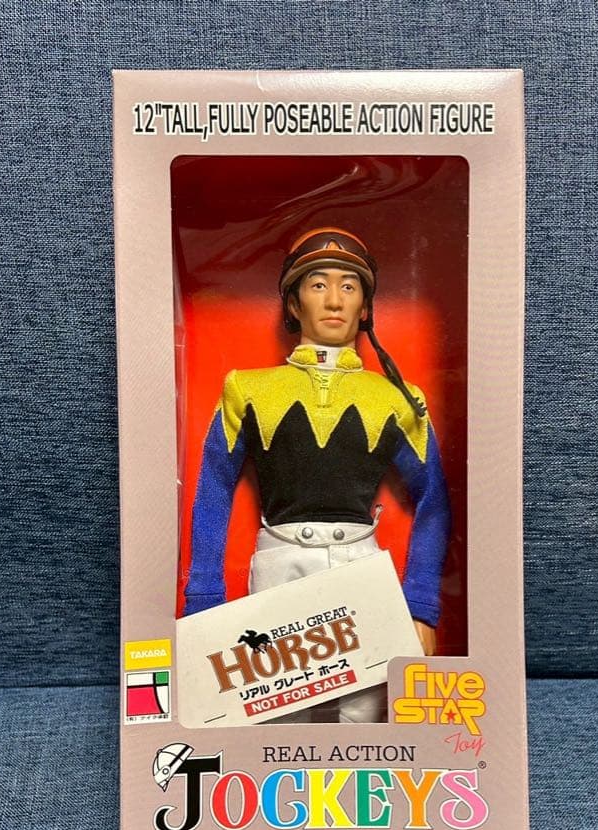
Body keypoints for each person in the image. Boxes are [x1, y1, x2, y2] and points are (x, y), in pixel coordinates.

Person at [183, 227, 451, 722]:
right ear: (293, 302)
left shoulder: (397, 397)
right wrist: (203, 596)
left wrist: (420, 602)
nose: (334, 300)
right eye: (318, 284)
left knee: (365, 718)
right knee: (276, 716)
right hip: (280, 563)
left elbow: (433, 496)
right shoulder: (247, 389)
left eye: (349, 286)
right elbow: (214, 488)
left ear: (365, 307)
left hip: (361, 564)